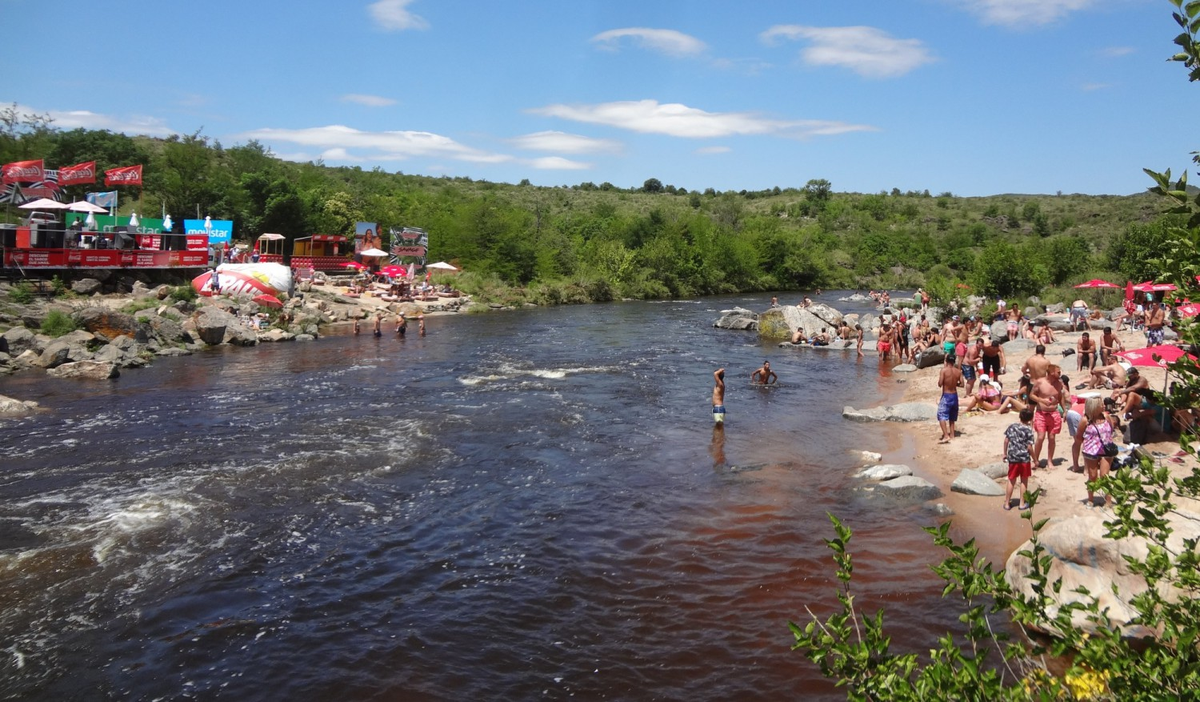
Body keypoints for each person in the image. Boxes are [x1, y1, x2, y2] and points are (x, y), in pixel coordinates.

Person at [1080, 397, 1115, 508]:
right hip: (1091, 451)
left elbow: (1111, 430)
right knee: (1093, 476)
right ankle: (1090, 500)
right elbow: (1079, 436)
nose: (1104, 406)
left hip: (1106, 449)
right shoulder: (1085, 420)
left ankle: (1108, 501)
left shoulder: (1106, 416)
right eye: (1101, 404)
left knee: (1105, 476)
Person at [1030, 364, 1067, 468]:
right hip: (1041, 412)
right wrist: (1041, 400)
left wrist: (1064, 410)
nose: (1060, 374)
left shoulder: (1059, 383)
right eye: (1058, 372)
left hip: (1054, 412)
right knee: (1040, 437)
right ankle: (1035, 460)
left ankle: (1050, 461)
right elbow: (1031, 395)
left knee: (1052, 437)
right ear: (1051, 373)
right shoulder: (1040, 382)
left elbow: (1060, 397)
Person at [1002, 407, 1037, 511]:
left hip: (1013, 457)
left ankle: (1007, 503)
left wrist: (1004, 453)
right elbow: (1029, 447)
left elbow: (1006, 441)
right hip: (1024, 459)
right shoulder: (1029, 430)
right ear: (1030, 419)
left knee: (1011, 480)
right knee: (1024, 481)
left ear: (1019, 416)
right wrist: (1035, 459)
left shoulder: (1012, 426)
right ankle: (1022, 503)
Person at [937, 353, 963, 444]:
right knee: (952, 415)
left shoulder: (943, 370)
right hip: (954, 395)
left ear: (947, 361)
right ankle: (952, 434)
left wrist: (945, 382)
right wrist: (954, 383)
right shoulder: (958, 371)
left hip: (947, 395)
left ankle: (946, 435)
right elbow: (962, 384)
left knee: (941, 415)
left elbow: (940, 383)